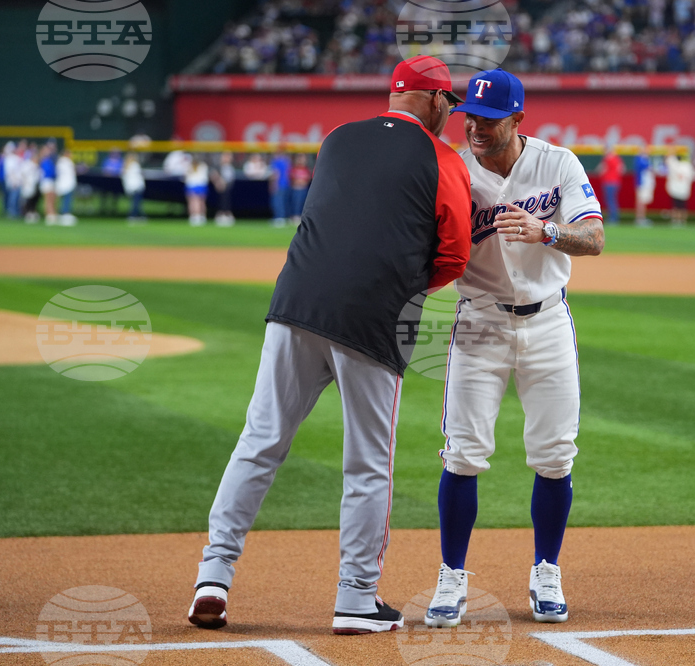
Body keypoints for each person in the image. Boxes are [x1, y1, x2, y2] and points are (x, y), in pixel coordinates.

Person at [188, 55, 470, 635]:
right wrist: (403, 282)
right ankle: (356, 598)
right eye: (450, 103)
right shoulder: (444, 158)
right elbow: (454, 254)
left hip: (296, 299)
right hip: (372, 316)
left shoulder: (337, 139)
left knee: (259, 440)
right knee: (368, 465)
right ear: (438, 101)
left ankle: (213, 575)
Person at [423, 68, 604, 629]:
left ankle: (546, 570)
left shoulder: (558, 163)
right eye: (469, 117)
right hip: (478, 321)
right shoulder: (453, 167)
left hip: (548, 320)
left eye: (488, 119)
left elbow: (595, 238)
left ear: (518, 119)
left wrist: (546, 231)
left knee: (555, 454)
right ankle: (452, 578)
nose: (475, 126)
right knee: (463, 452)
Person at [665, 148, 693, 226]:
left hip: (679, 189)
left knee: (678, 206)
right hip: (680, 189)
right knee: (680, 206)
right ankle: (680, 220)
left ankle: (677, 220)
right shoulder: (687, 166)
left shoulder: (682, 165)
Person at [597, 148, 623, 224]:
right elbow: (621, 169)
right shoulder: (617, 159)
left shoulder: (607, 159)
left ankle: (613, 218)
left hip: (608, 182)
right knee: (613, 200)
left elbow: (601, 169)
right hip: (616, 182)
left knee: (610, 200)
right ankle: (614, 217)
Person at [212, 152, 237, 227]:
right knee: (221, 201)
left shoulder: (230, 167)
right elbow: (213, 174)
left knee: (227, 200)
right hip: (220, 187)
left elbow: (231, 177)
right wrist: (218, 182)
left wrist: (226, 183)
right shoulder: (218, 166)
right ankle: (221, 215)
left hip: (228, 187)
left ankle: (227, 215)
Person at [55, 149, 78, 227]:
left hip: (67, 184)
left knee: (66, 199)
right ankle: (65, 214)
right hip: (66, 184)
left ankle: (65, 213)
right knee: (66, 200)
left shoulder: (61, 162)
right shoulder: (65, 162)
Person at [185, 156, 210, 226]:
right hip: (193, 185)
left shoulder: (202, 166)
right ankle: (195, 216)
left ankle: (198, 216)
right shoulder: (189, 166)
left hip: (198, 185)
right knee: (194, 202)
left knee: (198, 202)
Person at [288, 153, 312, 225]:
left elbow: (307, 178)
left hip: (303, 188)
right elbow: (292, 178)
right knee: (295, 203)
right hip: (296, 188)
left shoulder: (306, 169)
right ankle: (294, 216)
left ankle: (302, 216)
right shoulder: (294, 169)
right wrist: (299, 181)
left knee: (303, 203)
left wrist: (302, 182)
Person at [122, 153, 146, 223]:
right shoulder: (134, 165)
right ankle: (133, 216)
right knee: (136, 203)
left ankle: (137, 216)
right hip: (136, 186)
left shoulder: (126, 166)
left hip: (132, 187)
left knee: (136, 202)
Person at [633, 147, 653, 226]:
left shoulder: (644, 160)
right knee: (640, 202)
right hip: (641, 184)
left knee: (642, 201)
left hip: (644, 184)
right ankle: (640, 218)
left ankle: (641, 218)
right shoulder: (640, 160)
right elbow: (645, 167)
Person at [269, 151, 290, 227]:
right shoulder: (286, 161)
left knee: (277, 202)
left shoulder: (276, 162)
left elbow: (276, 173)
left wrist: (274, 184)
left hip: (279, 184)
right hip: (286, 184)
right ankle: (283, 217)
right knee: (283, 201)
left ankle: (279, 218)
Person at [20, 151, 41, 224]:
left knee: (34, 200)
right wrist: (25, 182)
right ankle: (27, 213)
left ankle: (32, 212)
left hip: (35, 185)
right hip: (28, 185)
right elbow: (22, 174)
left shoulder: (37, 166)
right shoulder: (27, 164)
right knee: (27, 200)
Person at [39, 144, 58, 225]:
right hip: (46, 181)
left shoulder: (50, 160)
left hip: (51, 181)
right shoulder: (42, 160)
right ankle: (49, 215)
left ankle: (52, 214)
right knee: (48, 199)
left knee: (52, 199)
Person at [4, 142, 23, 219]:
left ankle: (16, 211)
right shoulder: (9, 158)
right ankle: (11, 212)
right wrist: (14, 181)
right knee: (13, 197)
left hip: (19, 181)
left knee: (17, 198)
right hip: (13, 182)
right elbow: (10, 172)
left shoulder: (16, 158)